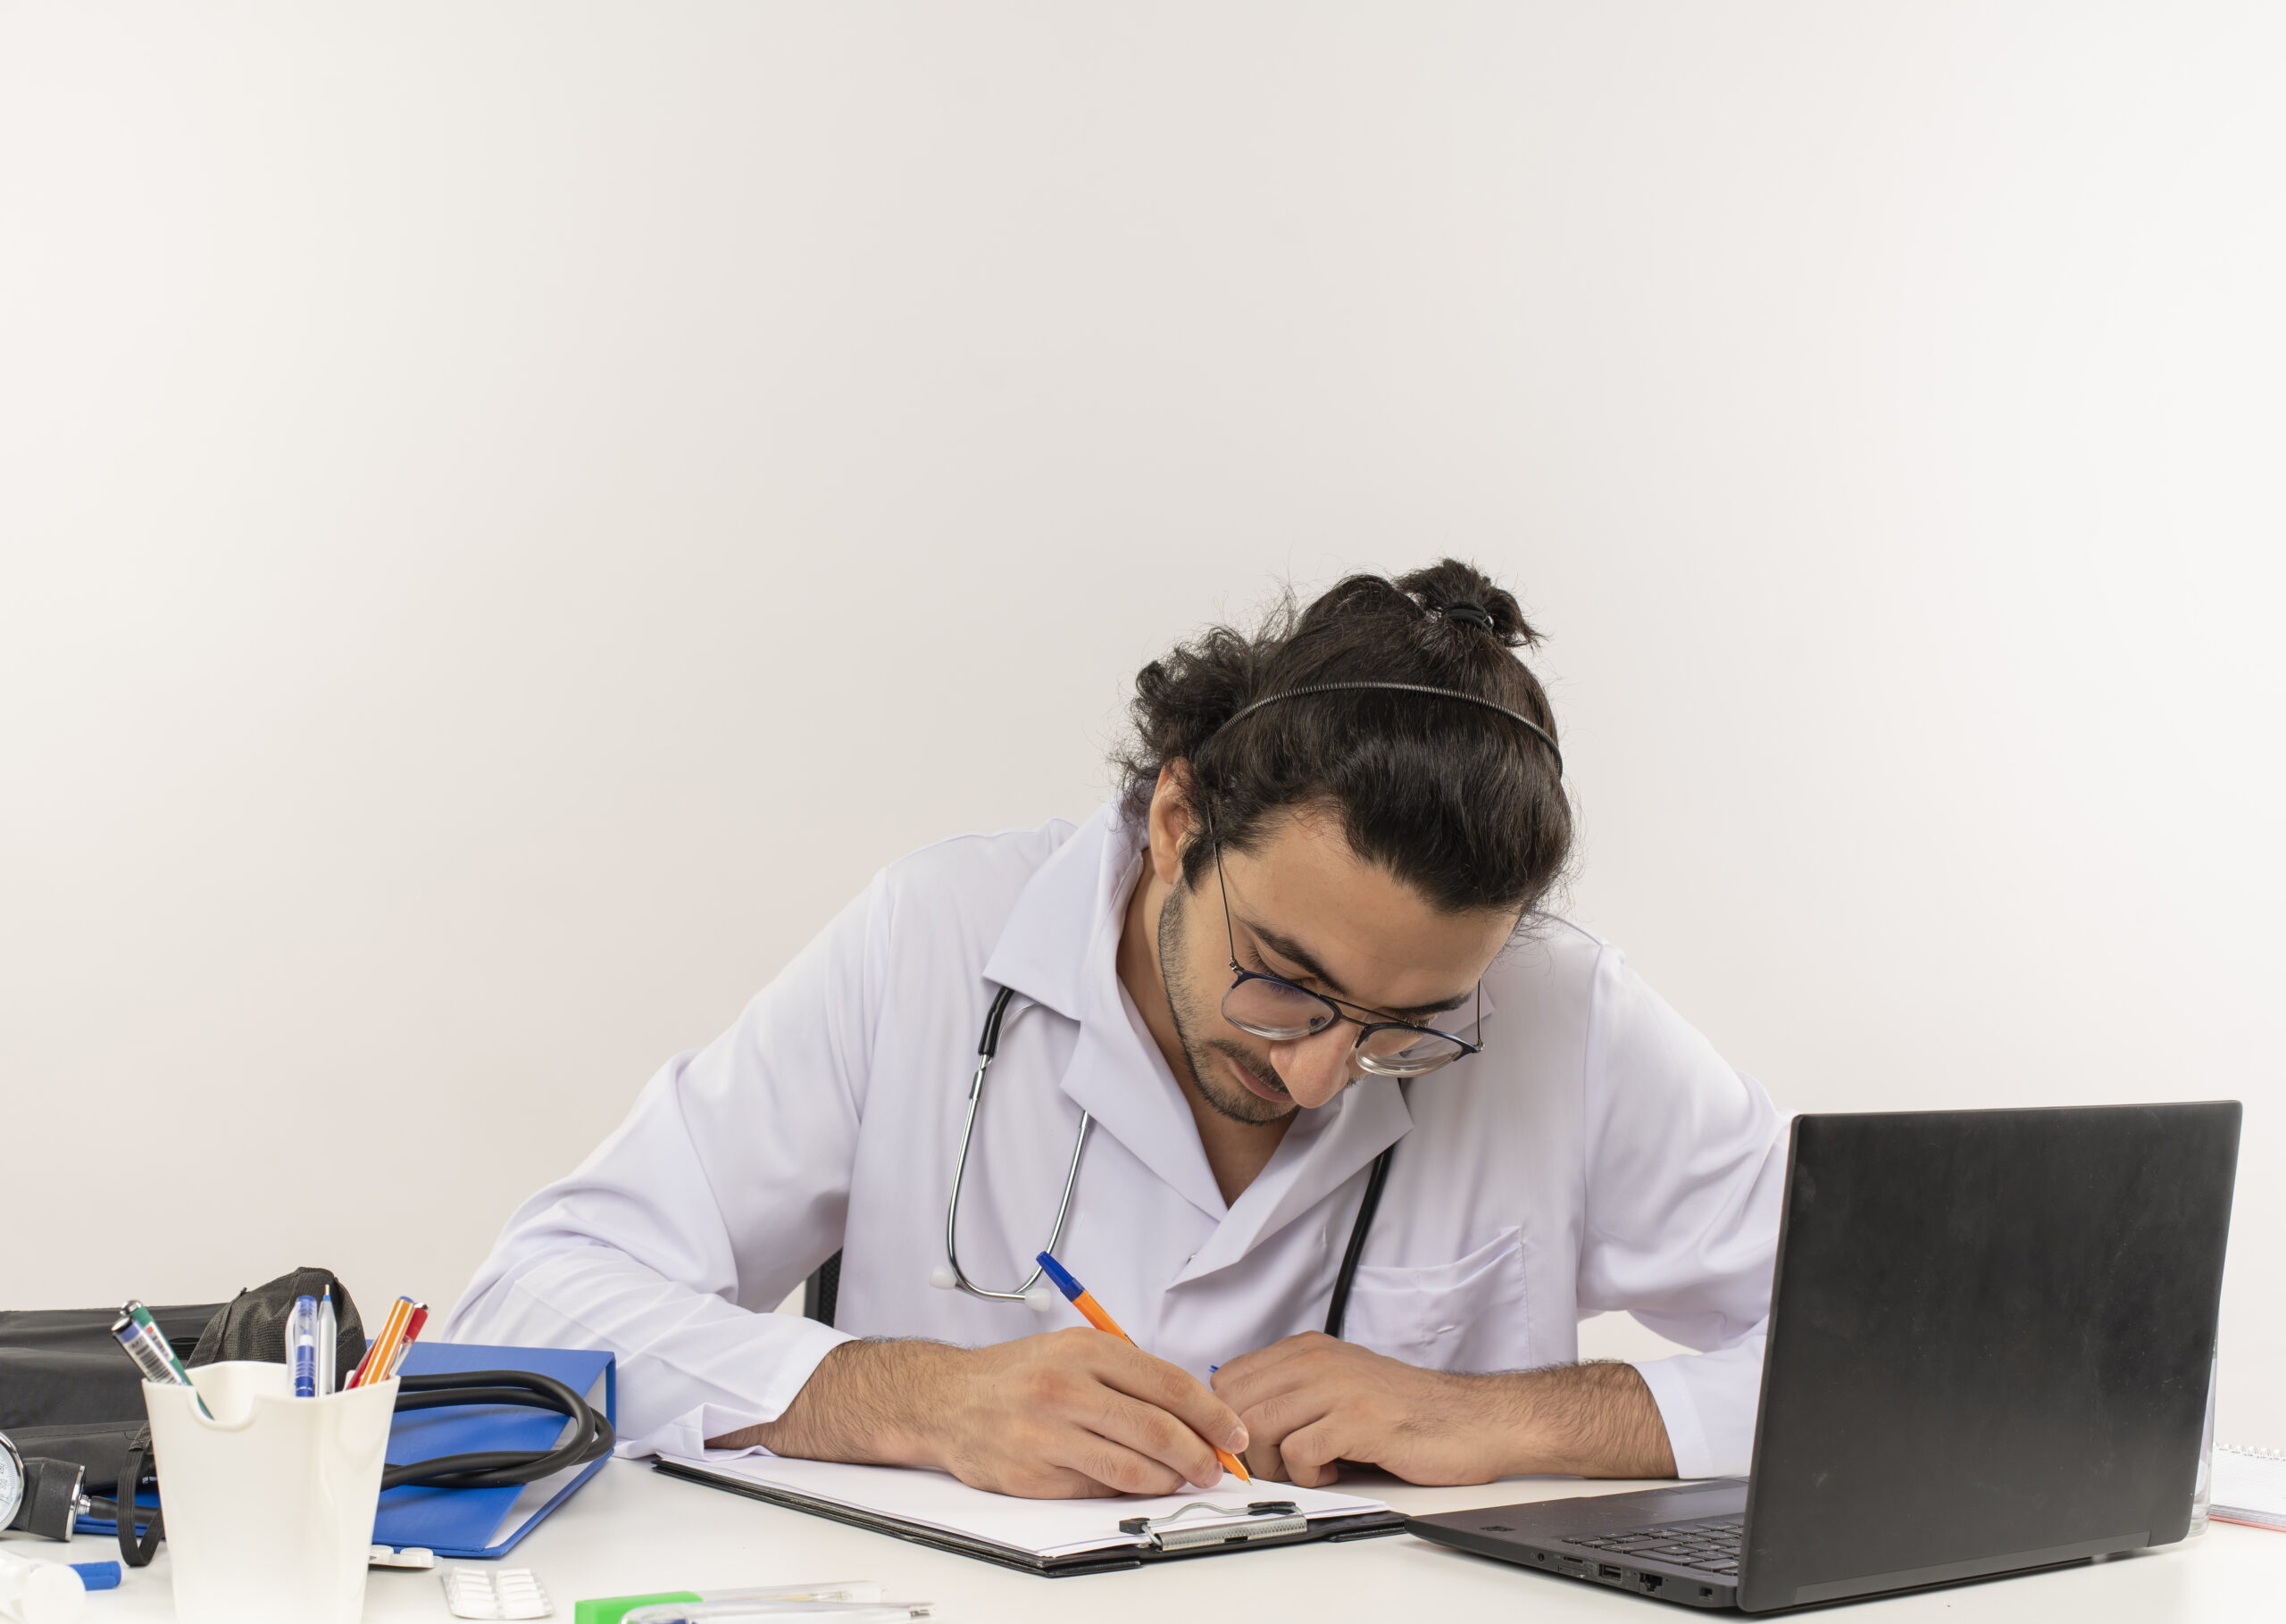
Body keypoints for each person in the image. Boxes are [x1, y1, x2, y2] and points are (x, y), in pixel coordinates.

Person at [445, 561, 1784, 1497]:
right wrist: (909, 1398)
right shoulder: (933, 940)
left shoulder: (1560, 1011)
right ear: (1177, 823)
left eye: (1405, 1029)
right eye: (1283, 978)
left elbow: (1916, 1360)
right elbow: (533, 1300)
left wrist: (1503, 1416)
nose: (1321, 1074)